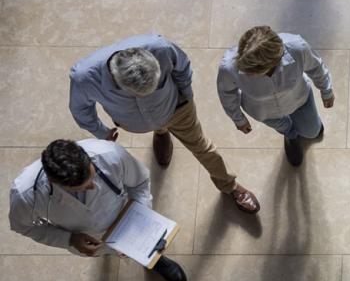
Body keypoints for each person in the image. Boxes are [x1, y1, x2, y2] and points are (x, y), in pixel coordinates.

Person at [69, 35, 260, 214]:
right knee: (161, 128)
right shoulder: (84, 78)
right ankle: (161, 132)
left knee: (203, 148)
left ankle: (229, 185)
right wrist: (100, 131)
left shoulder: (161, 48)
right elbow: (81, 109)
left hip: (177, 109)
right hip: (134, 122)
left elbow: (182, 68)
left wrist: (187, 95)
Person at [8, 139, 187, 281]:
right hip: (89, 239)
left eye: (93, 176)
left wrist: (143, 222)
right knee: (107, 251)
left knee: (145, 250)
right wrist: (68, 239)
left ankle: (153, 261)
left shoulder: (110, 155)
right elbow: (23, 227)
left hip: (126, 218)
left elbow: (140, 183)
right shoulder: (25, 197)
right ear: (54, 181)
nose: (93, 185)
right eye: (84, 187)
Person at [217, 26, 334, 167]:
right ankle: (290, 137)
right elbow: (227, 93)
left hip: (299, 100)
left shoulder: (297, 48)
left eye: (251, 72)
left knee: (312, 132)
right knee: (286, 128)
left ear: (274, 63)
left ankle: (306, 129)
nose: (246, 74)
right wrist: (238, 119)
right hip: (265, 112)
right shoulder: (229, 67)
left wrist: (326, 90)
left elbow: (316, 67)